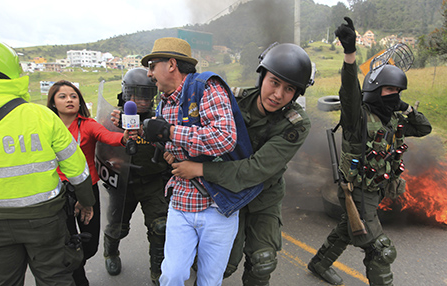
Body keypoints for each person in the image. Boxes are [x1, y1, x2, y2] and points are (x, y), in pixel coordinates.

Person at [171, 42, 314, 285]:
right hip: (225, 192)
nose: (278, 94)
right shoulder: (231, 101)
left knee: (263, 261)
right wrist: (175, 152)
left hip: (263, 195)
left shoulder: (295, 124)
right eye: (274, 82)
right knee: (220, 263)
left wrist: (200, 169)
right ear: (262, 77)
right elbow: (199, 132)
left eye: (289, 89)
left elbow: (255, 170)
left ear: (297, 94)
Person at [307, 17, 432, 286]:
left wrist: (407, 107)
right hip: (356, 192)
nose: (394, 95)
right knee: (380, 250)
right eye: (389, 89)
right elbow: (349, 91)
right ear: (374, 90)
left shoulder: (393, 120)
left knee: (346, 230)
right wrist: (350, 53)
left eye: (398, 91)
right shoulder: (358, 118)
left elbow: (424, 128)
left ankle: (319, 263)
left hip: (374, 192)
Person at [0, 36, 95, 285]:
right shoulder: (40, 115)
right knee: (54, 277)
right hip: (44, 220)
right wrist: (86, 201)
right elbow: (77, 168)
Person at [139, 37, 245, 286]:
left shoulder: (207, 88)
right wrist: (168, 150)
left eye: (153, 65)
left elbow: (225, 138)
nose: (149, 72)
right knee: (172, 275)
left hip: (218, 205)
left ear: (172, 64)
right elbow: (172, 145)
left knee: (210, 281)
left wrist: (171, 132)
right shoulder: (163, 104)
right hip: (182, 202)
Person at [46, 80, 132, 286]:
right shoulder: (45, 126)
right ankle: (77, 276)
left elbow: (108, 136)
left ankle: (76, 265)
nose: (69, 100)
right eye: (63, 96)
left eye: (73, 96)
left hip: (86, 189)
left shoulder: (87, 124)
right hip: (57, 192)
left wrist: (125, 138)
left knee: (90, 244)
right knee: (67, 241)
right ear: (53, 102)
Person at [103, 67, 170, 285]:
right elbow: (101, 149)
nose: (139, 100)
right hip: (122, 183)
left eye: (144, 95)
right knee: (117, 226)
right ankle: (110, 253)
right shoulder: (113, 118)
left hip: (152, 181)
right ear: (125, 94)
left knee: (160, 226)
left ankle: (157, 272)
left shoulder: (160, 119)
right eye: (134, 94)